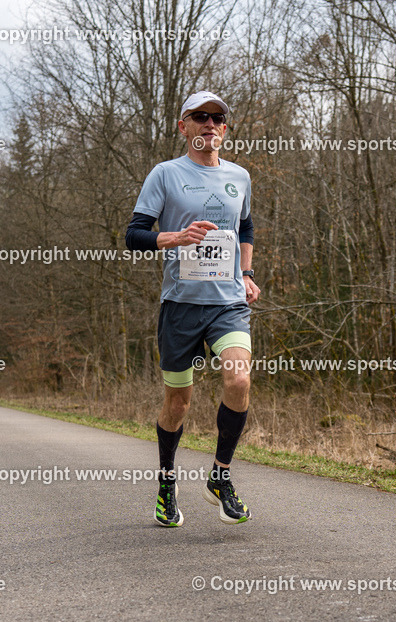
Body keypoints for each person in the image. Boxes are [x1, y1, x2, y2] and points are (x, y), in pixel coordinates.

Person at [125, 90, 260, 527]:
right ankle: (167, 482)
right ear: (183, 126)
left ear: (224, 129)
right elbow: (134, 235)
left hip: (228, 304)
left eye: (216, 118)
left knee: (239, 377)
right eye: (198, 116)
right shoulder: (165, 174)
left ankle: (220, 477)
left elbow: (245, 226)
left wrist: (248, 273)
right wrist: (175, 237)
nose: (208, 124)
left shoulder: (239, 177)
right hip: (180, 305)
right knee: (178, 403)